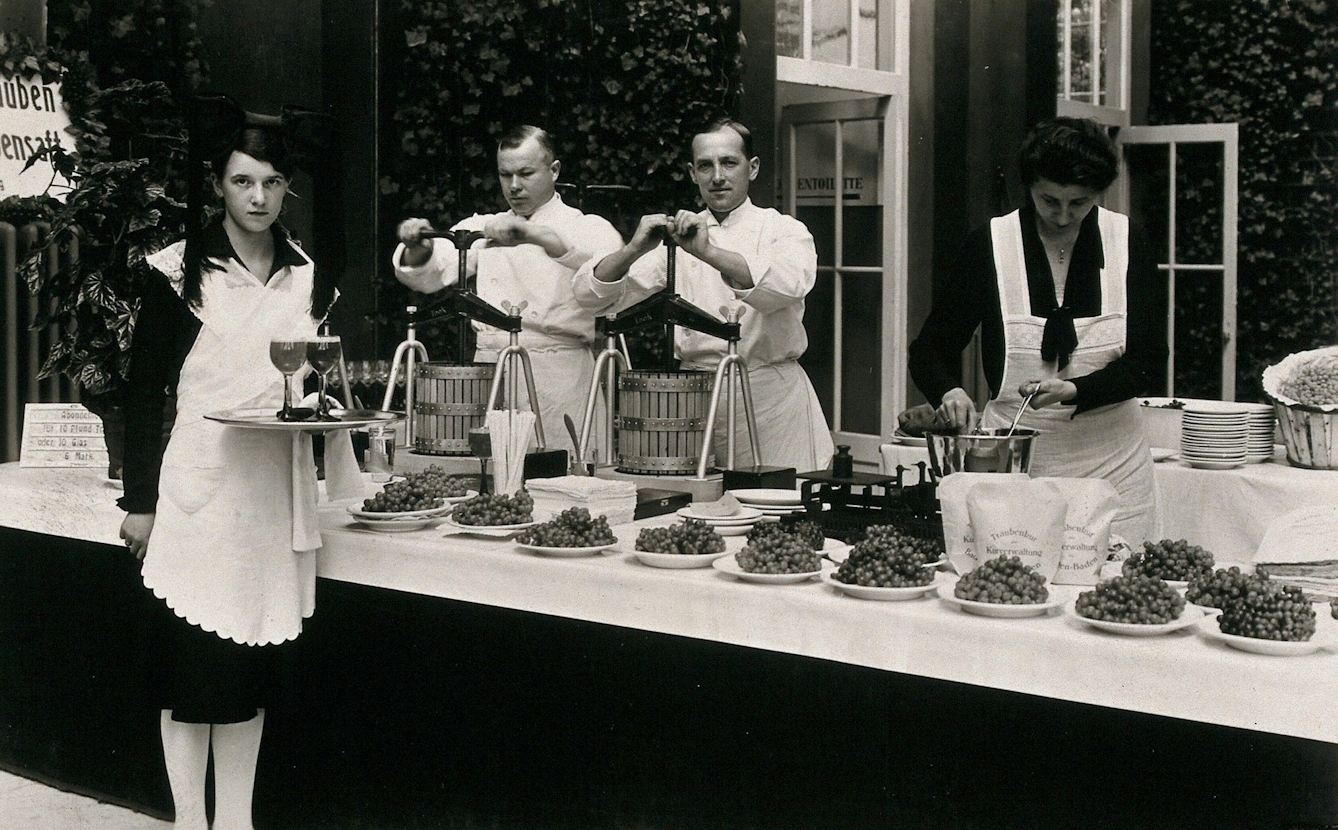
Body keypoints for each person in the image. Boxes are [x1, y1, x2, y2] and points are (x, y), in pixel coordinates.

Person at [117, 95, 353, 830]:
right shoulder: (177, 272)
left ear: (289, 190)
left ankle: (238, 821)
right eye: (243, 181)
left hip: (268, 494)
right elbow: (141, 392)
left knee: (249, 667)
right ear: (219, 184)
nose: (258, 197)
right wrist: (141, 501)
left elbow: (308, 379)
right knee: (194, 675)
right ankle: (192, 822)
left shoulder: (305, 275)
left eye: (272, 184)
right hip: (199, 492)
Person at [907, 116, 1167, 543]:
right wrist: (949, 390)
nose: (1063, 217)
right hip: (1014, 466)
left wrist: (1076, 390)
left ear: (1099, 194)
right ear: (1028, 186)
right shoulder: (990, 244)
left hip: (1115, 469)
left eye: (1079, 203)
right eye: (1049, 201)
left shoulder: (1127, 242)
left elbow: (1150, 363)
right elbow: (930, 350)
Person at [573, 118, 834, 473]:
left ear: (752, 168)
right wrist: (633, 248)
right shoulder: (679, 237)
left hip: (771, 404)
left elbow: (784, 288)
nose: (717, 176)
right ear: (692, 173)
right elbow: (595, 299)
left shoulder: (784, 231)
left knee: (777, 509)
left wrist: (707, 252)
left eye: (729, 163)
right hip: (695, 404)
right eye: (705, 166)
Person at [391, 125, 624, 458]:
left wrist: (534, 234)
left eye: (526, 173)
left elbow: (606, 272)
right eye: (505, 175)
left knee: (564, 478)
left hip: (559, 379)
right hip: (492, 372)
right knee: (492, 479)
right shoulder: (485, 227)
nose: (514, 186)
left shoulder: (587, 227)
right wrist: (418, 245)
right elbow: (431, 274)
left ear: (554, 170)